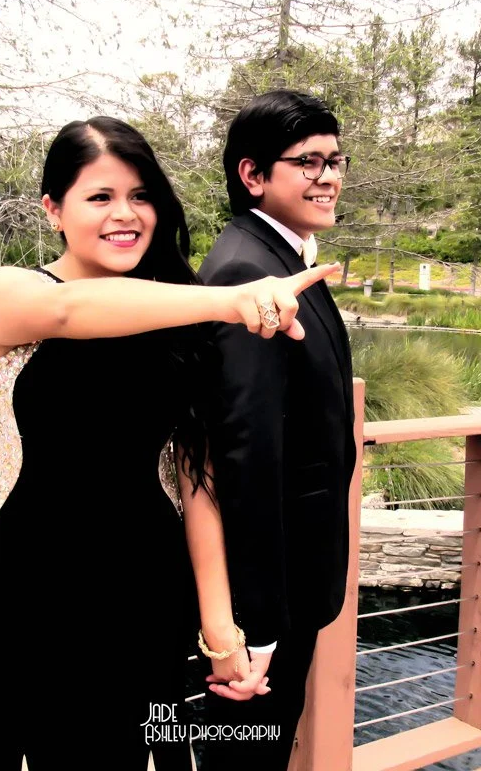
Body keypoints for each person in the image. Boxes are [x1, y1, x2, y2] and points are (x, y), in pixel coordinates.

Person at [0, 115, 340, 770]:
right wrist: (229, 301)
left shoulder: (172, 316)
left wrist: (222, 633)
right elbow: (69, 313)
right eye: (100, 197)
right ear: (53, 209)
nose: (126, 214)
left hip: (151, 588)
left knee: (155, 750)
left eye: (141, 196)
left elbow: (194, 475)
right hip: (40, 587)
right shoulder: (6, 293)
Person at [197, 91, 356, 770]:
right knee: (247, 755)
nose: (328, 177)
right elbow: (246, 455)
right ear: (253, 175)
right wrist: (255, 625)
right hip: (270, 599)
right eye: (308, 162)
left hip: (294, 580)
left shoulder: (286, 258)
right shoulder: (247, 269)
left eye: (335, 161)